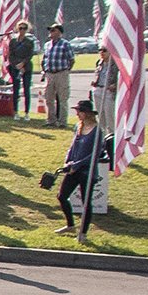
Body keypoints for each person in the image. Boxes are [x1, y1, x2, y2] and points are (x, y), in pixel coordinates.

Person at [57, 101, 102, 236]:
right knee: (62, 196)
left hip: (86, 170)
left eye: (79, 111)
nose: (77, 114)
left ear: (87, 113)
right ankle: (70, 225)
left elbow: (95, 154)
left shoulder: (97, 131)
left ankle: (83, 233)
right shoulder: (78, 127)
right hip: (73, 168)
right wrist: (67, 162)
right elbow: (73, 147)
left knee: (86, 202)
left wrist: (77, 165)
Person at [39, 24, 74, 127]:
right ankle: (51, 120)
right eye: (50, 30)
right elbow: (45, 58)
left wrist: (67, 71)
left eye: (53, 30)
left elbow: (71, 59)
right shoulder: (47, 45)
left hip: (61, 73)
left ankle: (63, 121)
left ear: (59, 32)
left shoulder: (65, 44)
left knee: (63, 98)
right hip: (50, 74)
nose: (51, 32)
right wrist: (44, 70)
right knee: (49, 98)